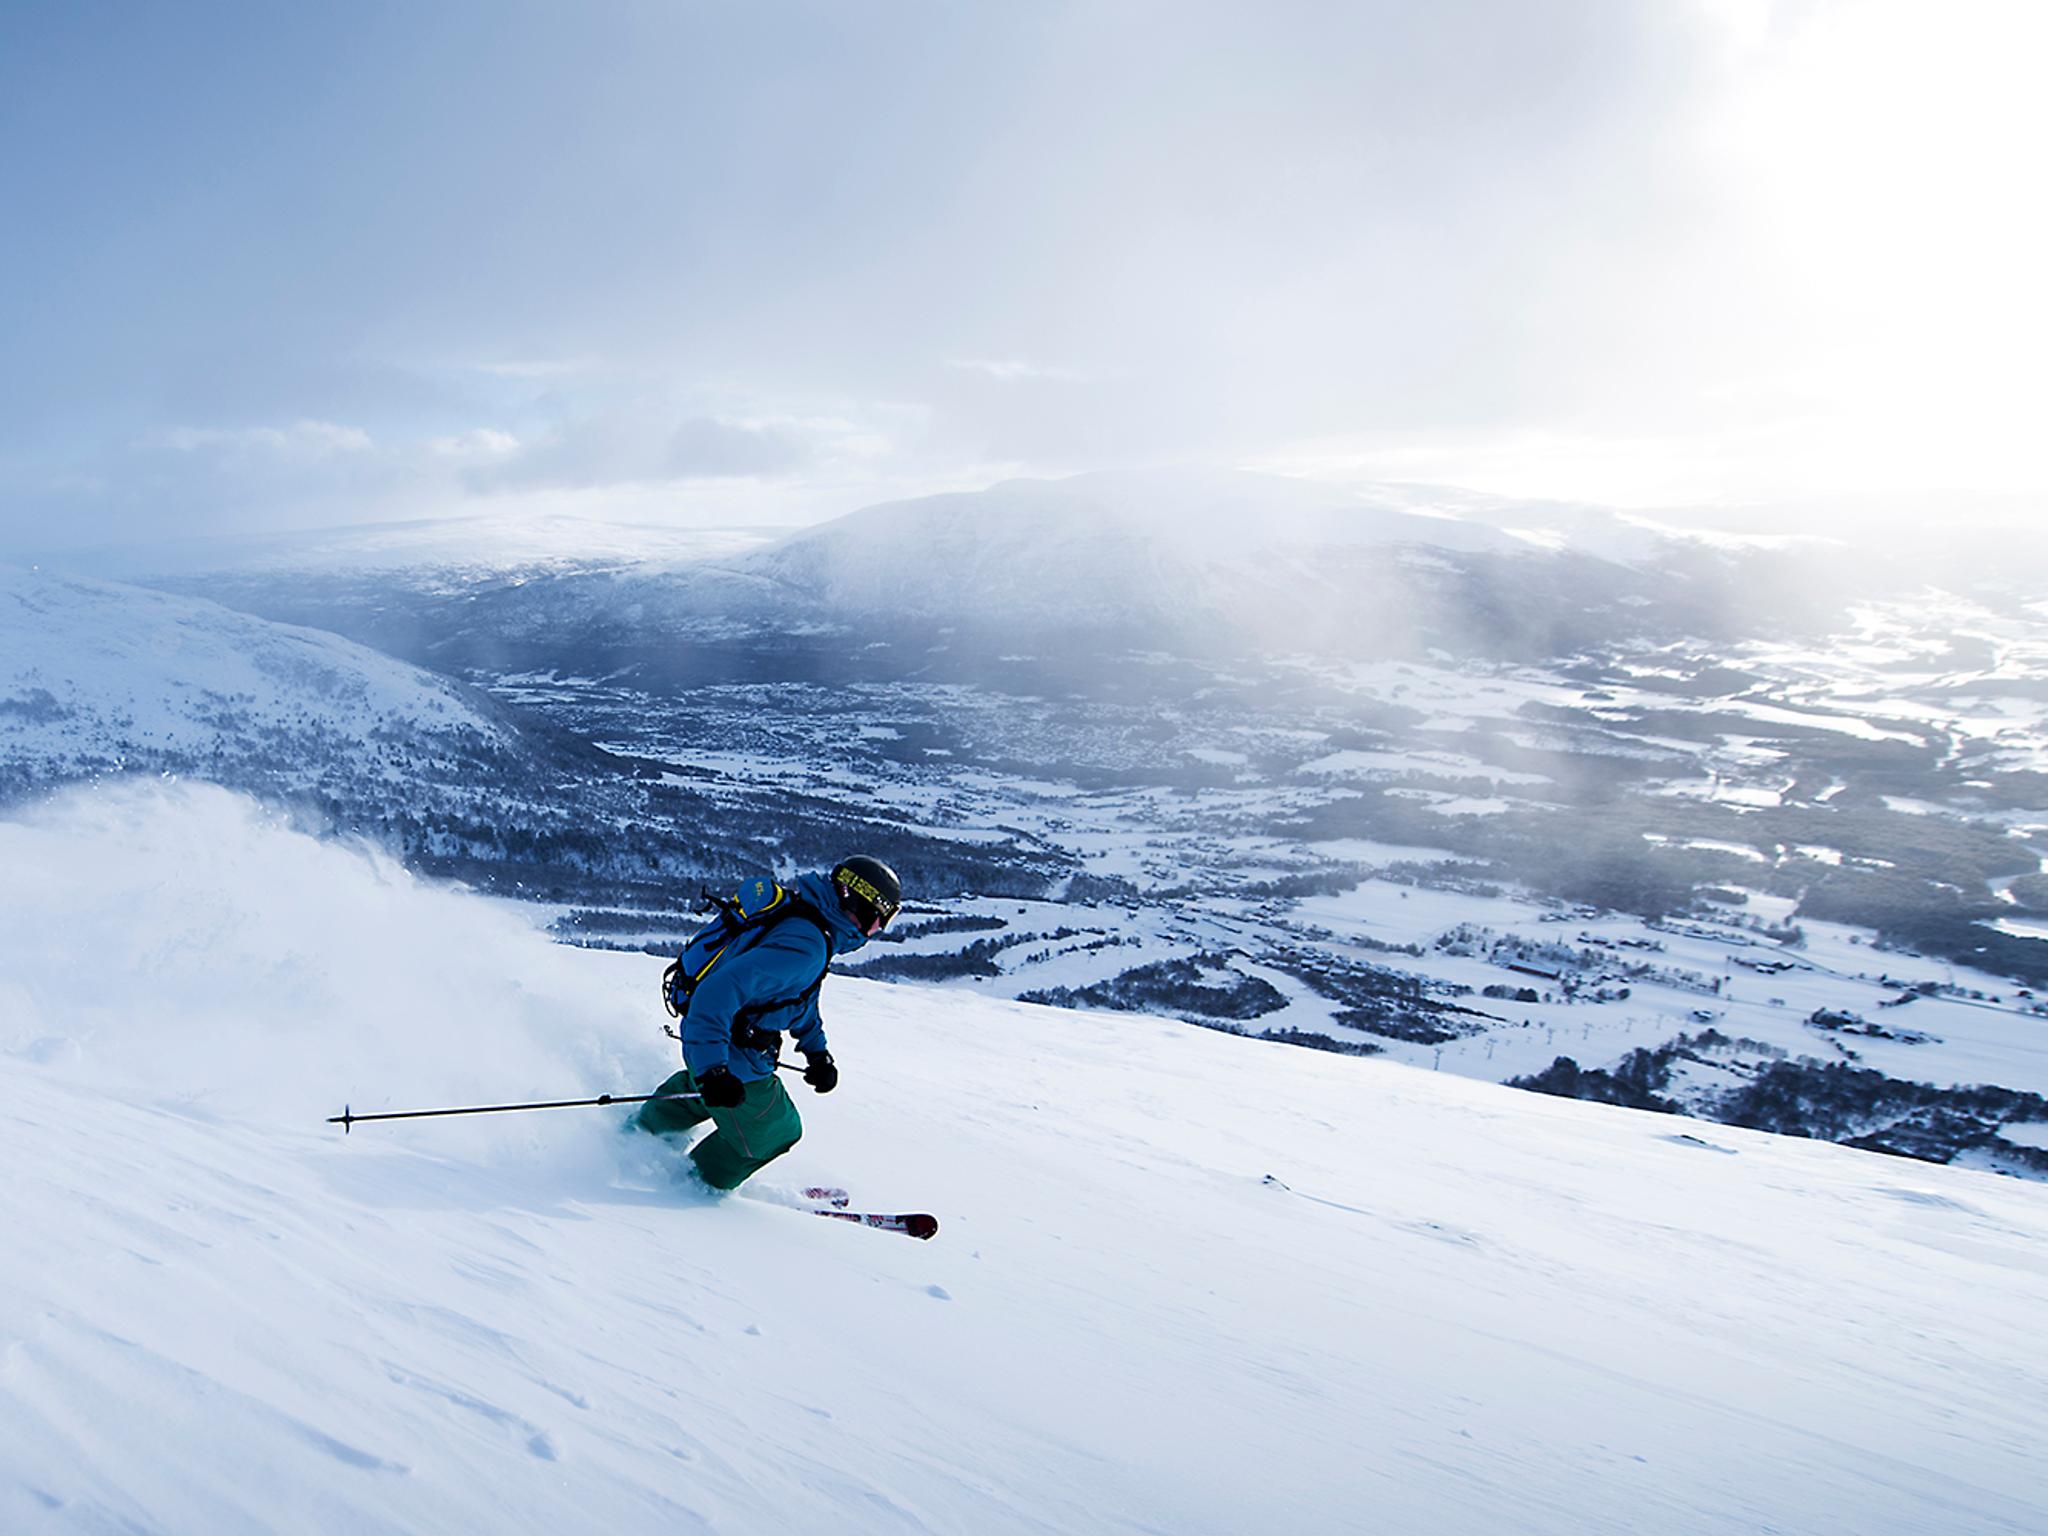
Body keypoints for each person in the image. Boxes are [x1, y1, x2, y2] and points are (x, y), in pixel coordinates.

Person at [634, 855, 901, 1189]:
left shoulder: (807, 919)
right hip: (731, 1053)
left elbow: (797, 998)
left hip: (718, 1044)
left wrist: (817, 1053)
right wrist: (714, 1071)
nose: (876, 931)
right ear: (860, 906)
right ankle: (689, 1188)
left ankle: (636, 1137)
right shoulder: (807, 947)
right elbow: (716, 994)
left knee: (699, 1091)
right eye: (880, 920)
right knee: (776, 1131)